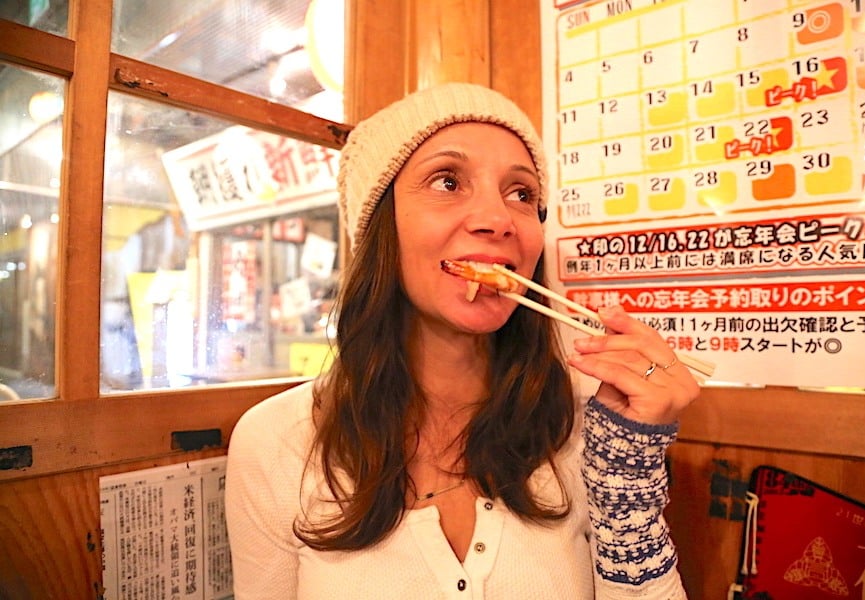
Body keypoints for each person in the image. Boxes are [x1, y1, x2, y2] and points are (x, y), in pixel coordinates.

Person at [225, 82, 700, 599]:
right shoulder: (277, 441)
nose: (499, 220)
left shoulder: (592, 424)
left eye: (522, 194)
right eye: (447, 182)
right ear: (380, 224)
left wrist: (626, 482)